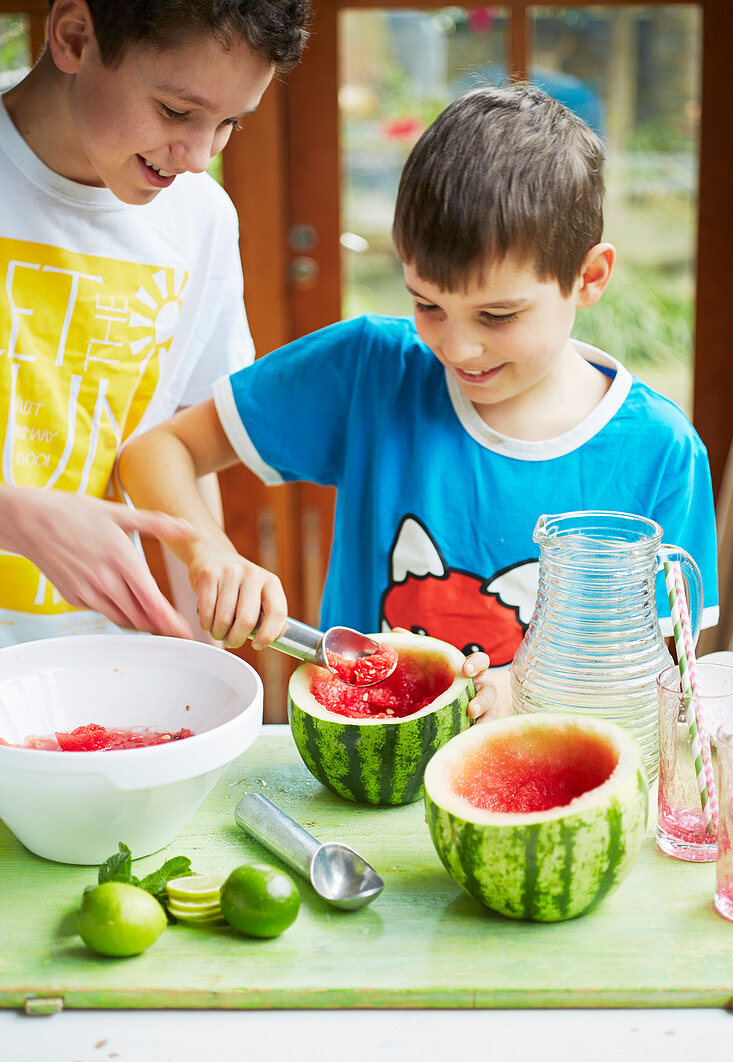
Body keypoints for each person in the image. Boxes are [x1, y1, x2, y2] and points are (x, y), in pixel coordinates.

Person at [119, 84, 719, 720]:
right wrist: (209, 552)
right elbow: (159, 450)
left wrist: (528, 689)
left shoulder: (660, 453)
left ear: (589, 278)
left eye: (497, 314)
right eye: (428, 303)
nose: (457, 348)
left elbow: (666, 672)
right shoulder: (369, 370)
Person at [0, 0, 310, 644]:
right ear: (75, 36)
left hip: (93, 665)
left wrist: (208, 580)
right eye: (176, 111)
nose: (199, 156)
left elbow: (181, 444)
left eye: (228, 124)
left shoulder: (202, 218)